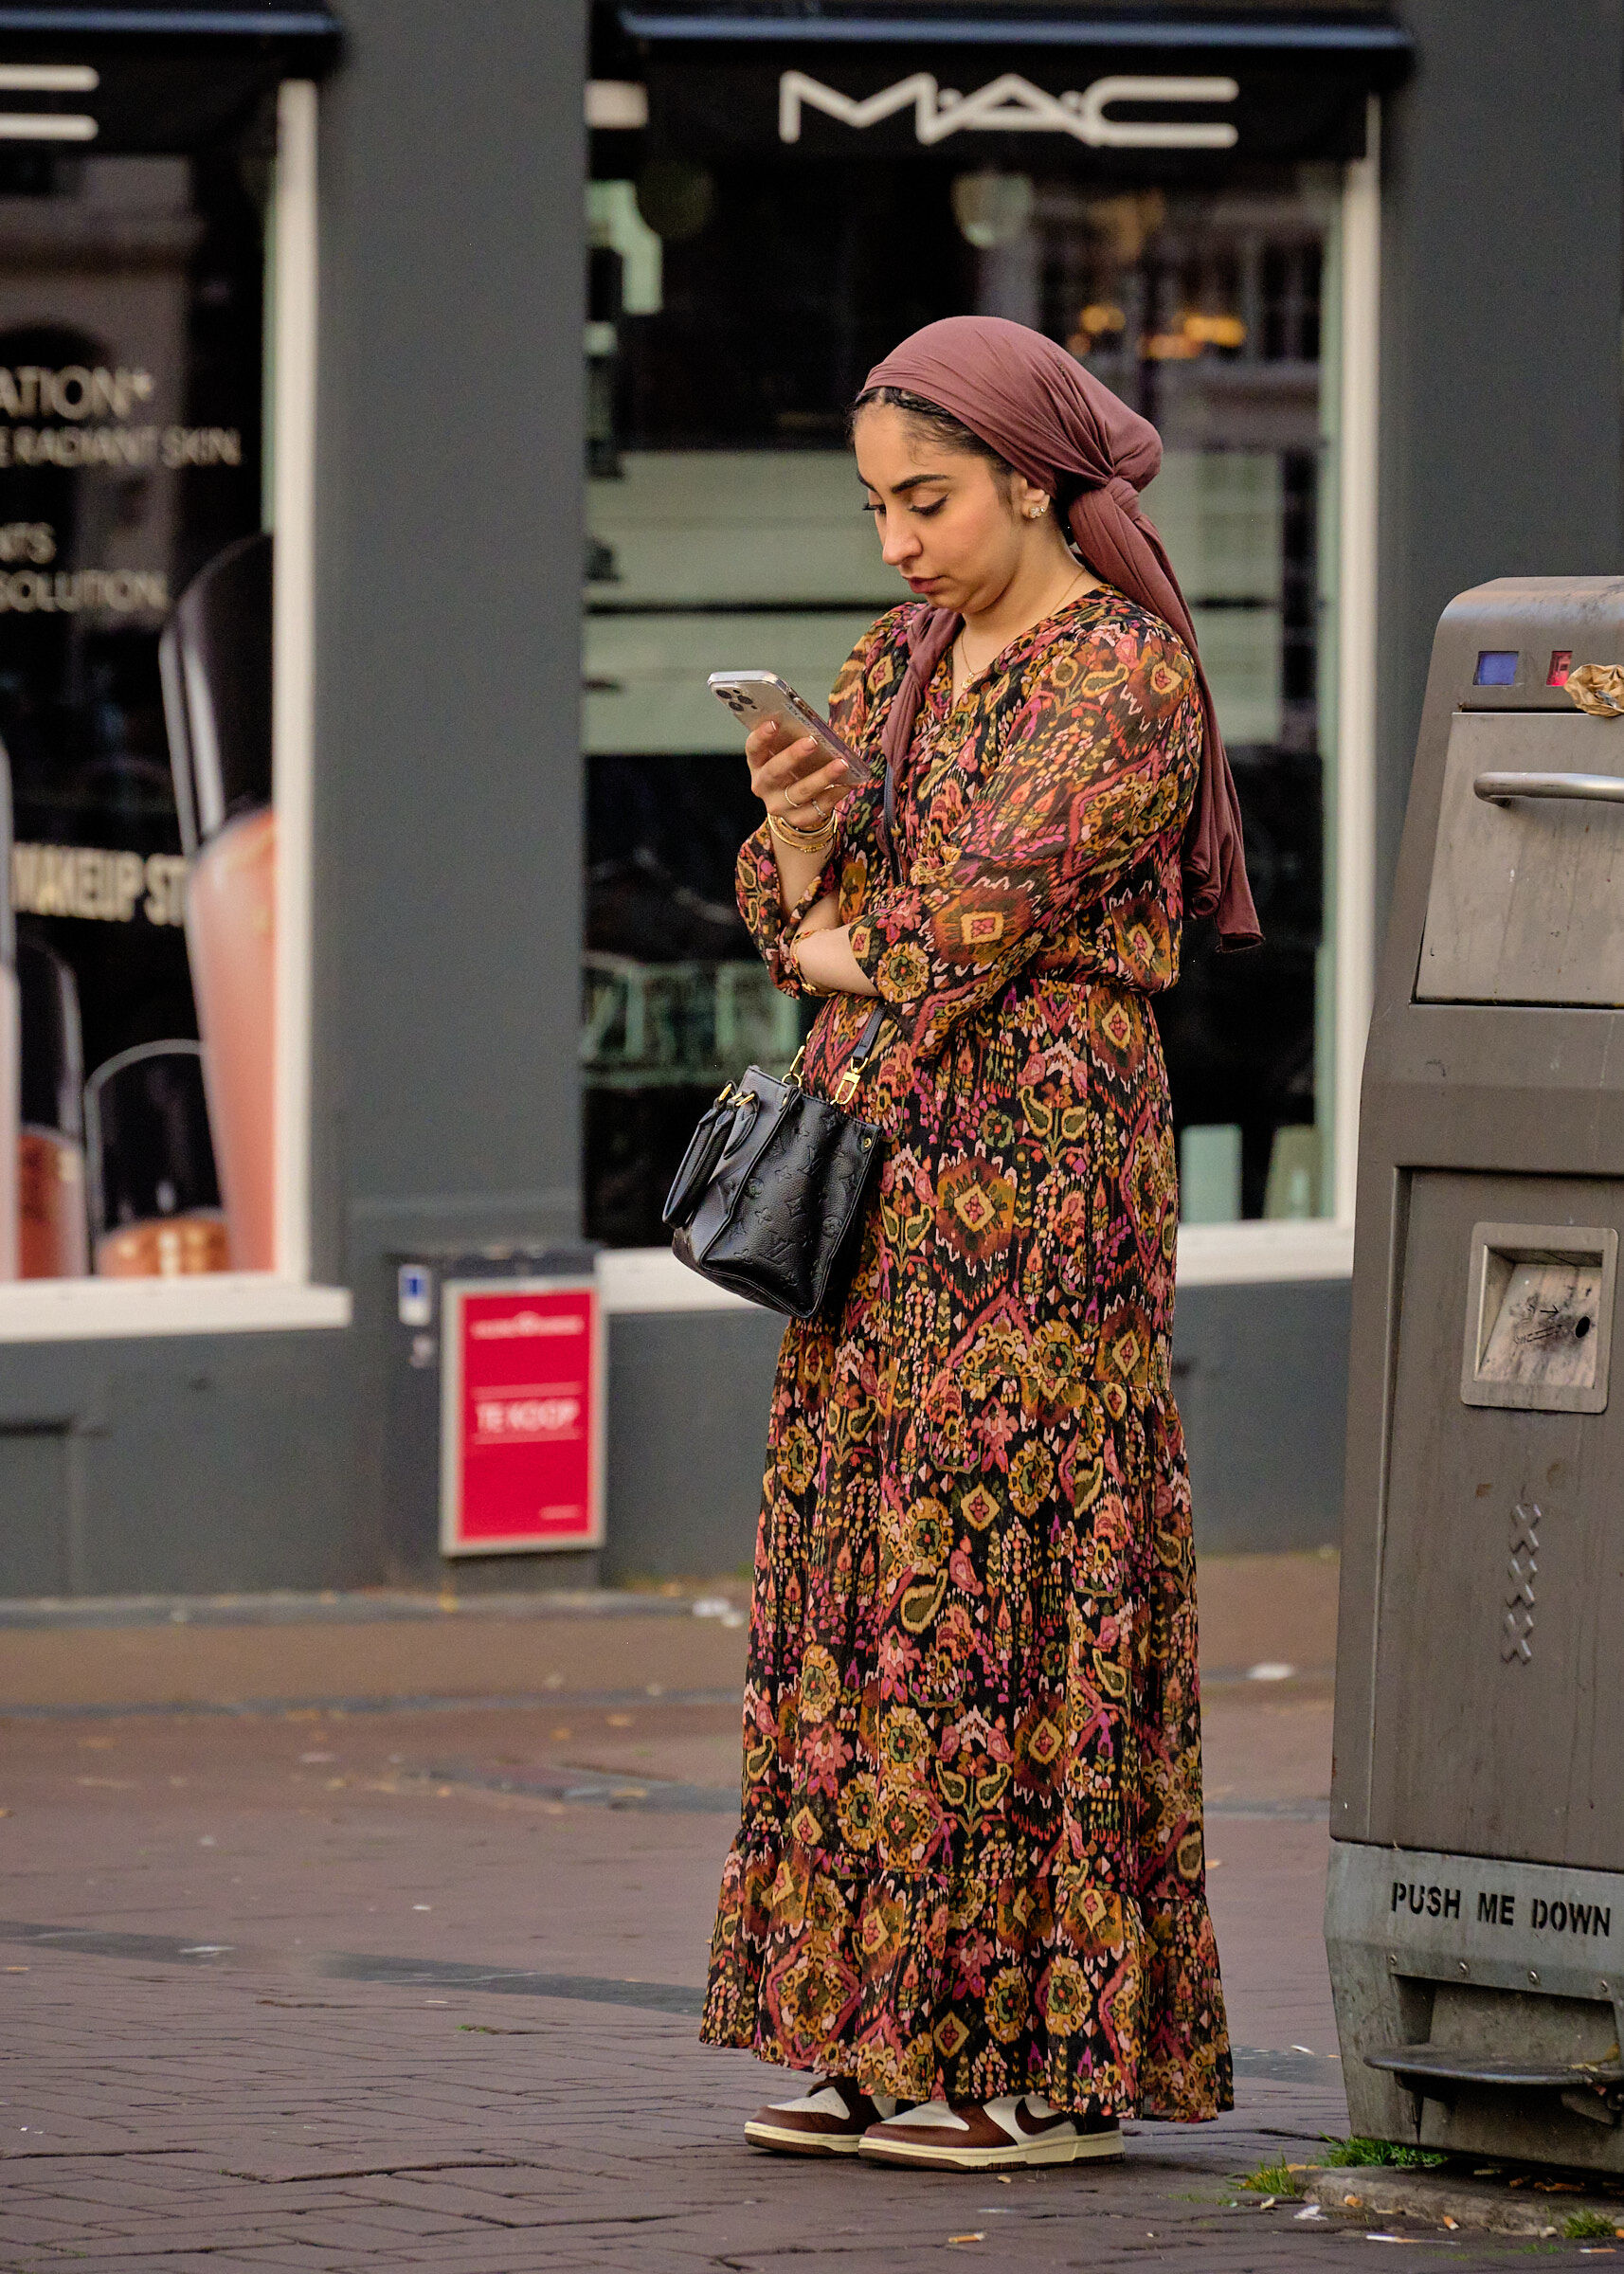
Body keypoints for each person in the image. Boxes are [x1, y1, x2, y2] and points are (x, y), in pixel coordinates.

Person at [699, 314, 1257, 2173]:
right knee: (859, 1571)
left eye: (924, 501)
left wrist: (837, 934)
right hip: (879, 1162)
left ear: (1028, 479)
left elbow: (975, 912)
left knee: (1010, 1562)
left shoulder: (1125, 675)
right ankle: (869, 2036)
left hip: (1041, 1158)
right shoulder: (896, 656)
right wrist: (795, 844)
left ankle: (1027, 2061)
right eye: (874, 509)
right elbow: (809, 910)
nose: (897, 543)